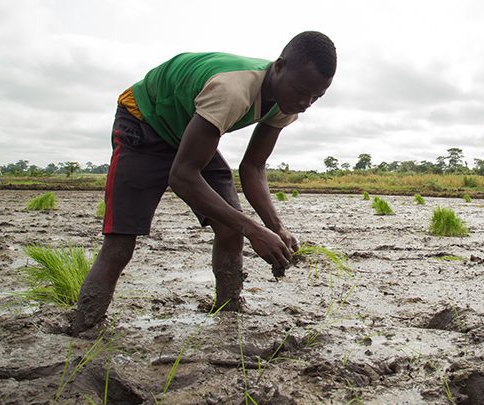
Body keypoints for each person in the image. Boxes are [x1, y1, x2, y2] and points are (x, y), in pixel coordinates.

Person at [72, 31, 337, 333]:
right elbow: (182, 176)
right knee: (120, 244)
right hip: (144, 121)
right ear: (278, 67)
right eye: (301, 91)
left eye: (316, 97)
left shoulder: (287, 105)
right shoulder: (232, 90)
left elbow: (253, 167)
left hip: (189, 131)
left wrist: (276, 227)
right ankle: (84, 329)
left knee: (230, 228)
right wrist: (253, 230)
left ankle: (228, 315)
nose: (305, 103)